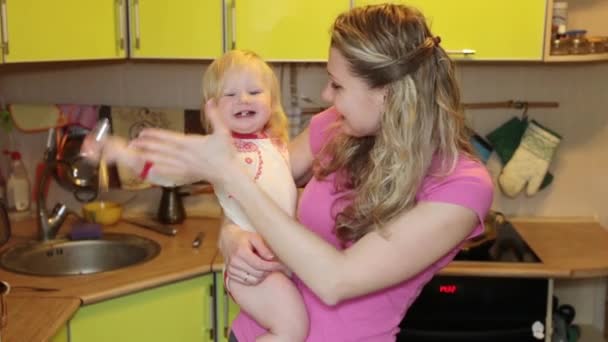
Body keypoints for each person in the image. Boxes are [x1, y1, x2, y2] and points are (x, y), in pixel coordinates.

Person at [131, 3, 494, 341]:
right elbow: (260, 192)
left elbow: (336, 279)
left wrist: (229, 174)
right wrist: (232, 236)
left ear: (388, 94)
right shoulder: (337, 127)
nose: (325, 94)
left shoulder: (462, 187)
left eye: (337, 84)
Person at [201, 49, 308, 342]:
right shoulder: (221, 150)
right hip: (250, 268)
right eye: (230, 95)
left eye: (254, 91)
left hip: (272, 264)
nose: (243, 100)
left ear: (271, 103)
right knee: (291, 331)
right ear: (213, 108)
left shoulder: (275, 146)